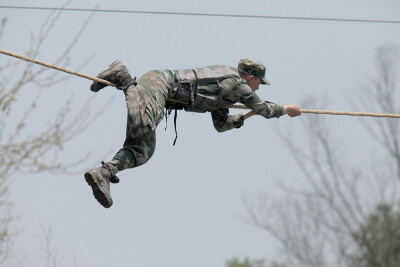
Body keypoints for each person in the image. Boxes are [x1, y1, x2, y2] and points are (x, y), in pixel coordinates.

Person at [84, 58, 301, 208]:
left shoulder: (226, 91)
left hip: (160, 91)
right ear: (252, 78)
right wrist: (286, 110)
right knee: (143, 127)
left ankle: (104, 172)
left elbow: (222, 125)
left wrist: (249, 115)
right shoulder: (237, 84)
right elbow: (265, 108)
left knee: (143, 150)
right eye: (259, 83)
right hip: (160, 84)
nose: (258, 89)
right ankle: (123, 77)